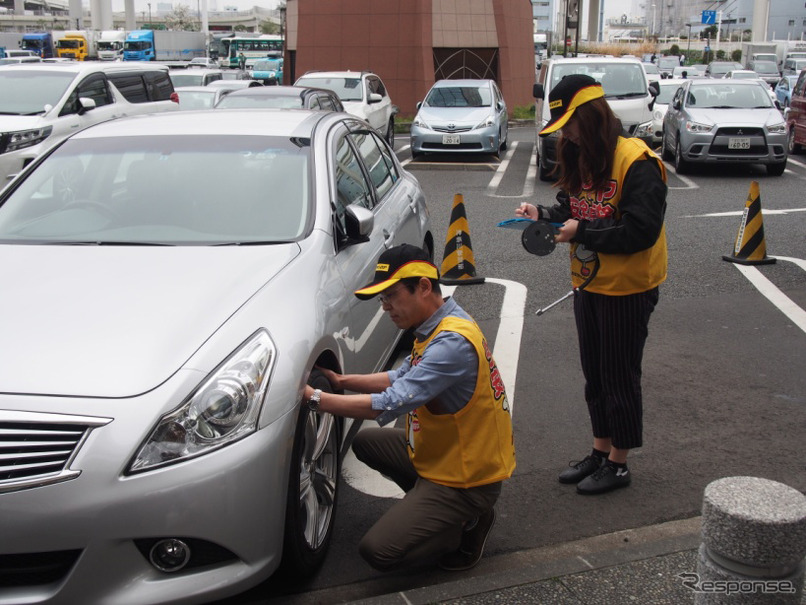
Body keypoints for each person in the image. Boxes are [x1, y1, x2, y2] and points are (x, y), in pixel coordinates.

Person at [302, 244, 516, 571]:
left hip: (466, 479)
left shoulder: (451, 344)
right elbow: (402, 375)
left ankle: (462, 525)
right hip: (444, 457)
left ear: (424, 287)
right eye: (382, 299)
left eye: (391, 296)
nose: (385, 307)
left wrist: (317, 399)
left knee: (378, 551)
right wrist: (342, 382)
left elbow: (390, 402)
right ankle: (431, 509)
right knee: (365, 442)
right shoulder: (439, 322)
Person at [515, 74, 667, 495]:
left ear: (591, 116)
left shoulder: (637, 162)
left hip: (629, 288)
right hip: (589, 284)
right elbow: (572, 208)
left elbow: (641, 231)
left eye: (570, 123)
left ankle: (619, 463)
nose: (566, 133)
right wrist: (542, 214)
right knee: (595, 374)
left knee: (619, 375)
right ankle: (600, 452)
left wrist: (579, 232)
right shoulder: (583, 157)